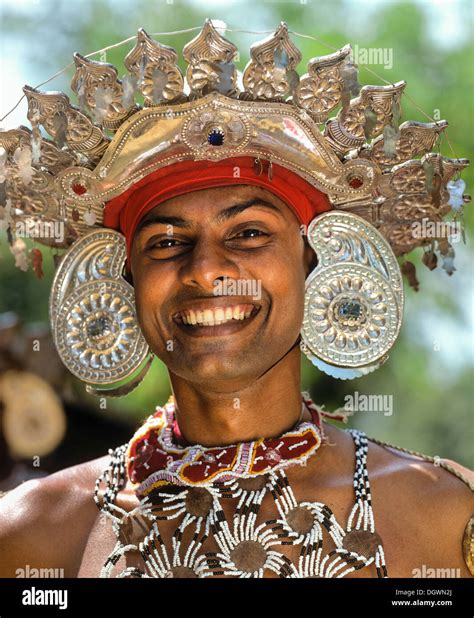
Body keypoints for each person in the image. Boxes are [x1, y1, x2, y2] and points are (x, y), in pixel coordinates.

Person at [0, 21, 472, 579]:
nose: (204, 271)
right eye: (167, 242)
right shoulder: (33, 536)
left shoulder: (441, 520)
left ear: (316, 260)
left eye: (249, 233)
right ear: (123, 277)